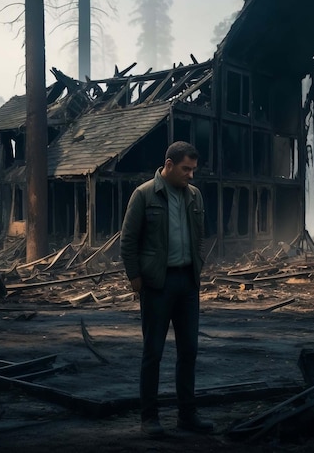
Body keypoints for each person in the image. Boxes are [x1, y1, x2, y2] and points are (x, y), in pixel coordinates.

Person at [120, 140, 214, 437]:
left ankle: (187, 415)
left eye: (194, 169)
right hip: (157, 284)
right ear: (169, 165)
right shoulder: (144, 195)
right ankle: (149, 419)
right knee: (153, 352)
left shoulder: (195, 197)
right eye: (186, 169)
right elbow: (128, 241)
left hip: (187, 283)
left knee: (189, 350)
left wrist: (197, 266)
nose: (191, 175)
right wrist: (136, 278)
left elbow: (199, 237)